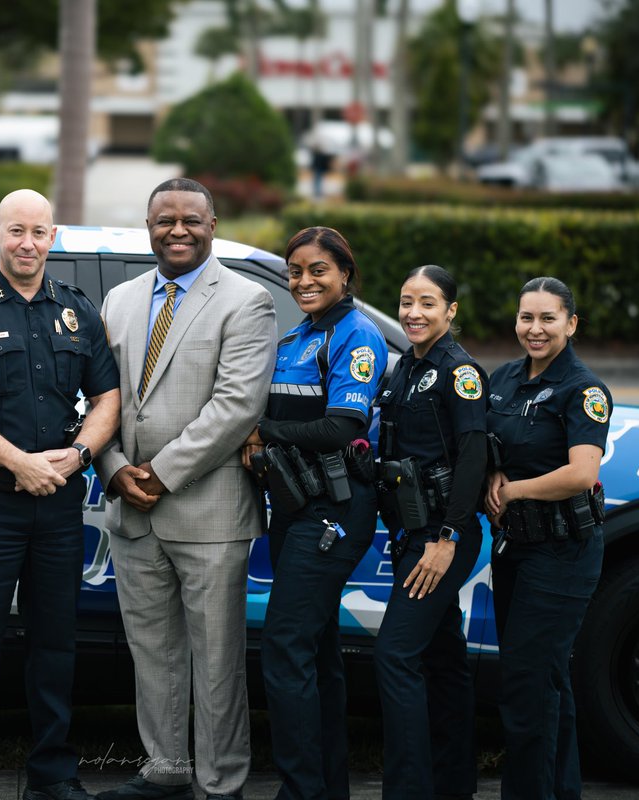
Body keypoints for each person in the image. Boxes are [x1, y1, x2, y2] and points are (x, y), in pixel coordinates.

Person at [0, 189, 120, 800]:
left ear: (52, 236)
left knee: (56, 643)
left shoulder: (78, 311)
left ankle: (53, 774)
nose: (27, 243)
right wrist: (17, 462)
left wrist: (81, 453)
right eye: (16, 231)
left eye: (38, 232)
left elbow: (108, 397)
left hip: (59, 505)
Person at [94, 178, 276, 800]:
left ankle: (221, 782)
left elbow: (237, 405)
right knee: (154, 654)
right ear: (148, 227)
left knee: (218, 659)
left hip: (208, 508)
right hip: (130, 507)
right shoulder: (118, 300)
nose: (177, 229)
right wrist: (114, 466)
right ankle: (166, 770)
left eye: (190, 219)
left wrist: (161, 473)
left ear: (213, 223)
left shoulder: (247, 301)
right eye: (164, 219)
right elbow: (98, 399)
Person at [241, 226, 387, 800]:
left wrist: (261, 432)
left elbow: (341, 427)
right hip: (295, 509)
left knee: (284, 646)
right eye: (296, 270)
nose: (304, 280)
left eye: (318, 270)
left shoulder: (358, 335)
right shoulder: (298, 336)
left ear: (345, 274)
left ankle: (299, 790)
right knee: (317, 652)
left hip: (335, 512)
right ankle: (326, 788)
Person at [484, 277, 610, 800]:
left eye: (547, 319)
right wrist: (493, 474)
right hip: (516, 550)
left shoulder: (584, 389)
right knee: (546, 683)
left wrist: (513, 491)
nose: (534, 329)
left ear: (571, 324)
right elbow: (491, 443)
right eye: (526, 318)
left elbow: (581, 474)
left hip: (563, 553)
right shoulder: (504, 378)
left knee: (526, 687)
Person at [373, 265, 487, 800]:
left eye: (427, 304)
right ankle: (452, 784)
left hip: (440, 538)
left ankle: (408, 789)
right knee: (444, 660)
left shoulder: (459, 372)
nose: (413, 314)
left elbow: (473, 458)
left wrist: (448, 539)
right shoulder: (404, 368)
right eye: (406, 302)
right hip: (411, 532)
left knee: (396, 655)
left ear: (451, 312)